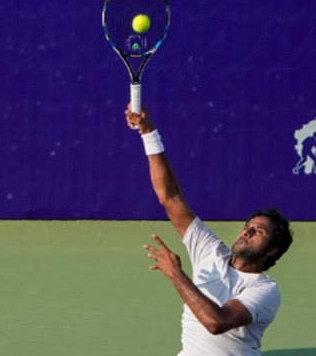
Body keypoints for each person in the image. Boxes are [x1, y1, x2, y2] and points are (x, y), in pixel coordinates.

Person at [125, 106, 293, 356]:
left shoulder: (266, 291)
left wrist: (176, 274)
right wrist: (149, 133)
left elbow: (217, 322)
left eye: (258, 231)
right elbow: (170, 197)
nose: (246, 232)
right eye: (247, 227)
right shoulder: (209, 251)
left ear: (273, 249)